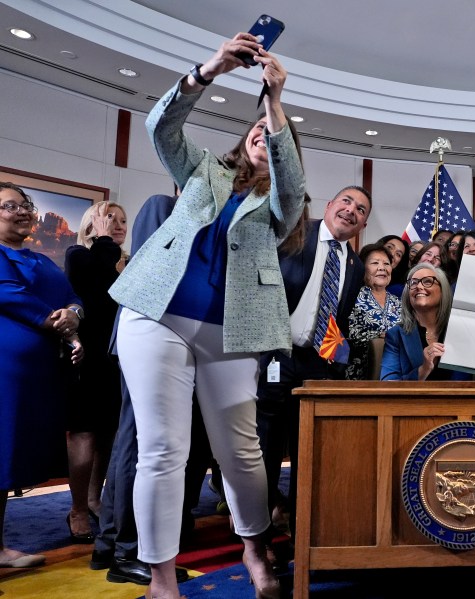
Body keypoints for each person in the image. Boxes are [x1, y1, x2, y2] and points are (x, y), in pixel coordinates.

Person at [108, 33, 305, 599]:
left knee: (241, 451)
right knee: (163, 447)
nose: (262, 137)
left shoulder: (279, 204)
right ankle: (161, 580)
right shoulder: (202, 171)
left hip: (232, 330)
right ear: (242, 140)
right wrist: (210, 69)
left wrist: (274, 102)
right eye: (256, 132)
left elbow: (291, 191)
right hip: (155, 314)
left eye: (273, 136)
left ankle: (255, 547)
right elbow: (159, 128)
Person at [91, 191, 199, 586]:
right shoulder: (162, 206)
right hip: (149, 336)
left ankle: (109, 546)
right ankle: (127, 553)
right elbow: (155, 275)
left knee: (132, 443)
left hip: (166, 343)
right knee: (136, 446)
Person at [256, 185, 370, 538]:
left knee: (308, 445)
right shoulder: (294, 234)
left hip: (317, 365)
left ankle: (301, 524)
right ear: (330, 203)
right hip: (277, 353)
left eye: (362, 209)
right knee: (267, 442)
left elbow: (341, 318)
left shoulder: (354, 264)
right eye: (347, 201)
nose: (352, 210)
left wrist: (334, 365)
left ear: (363, 223)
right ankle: (257, 524)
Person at [1, 182, 84, 569]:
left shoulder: (42, 260)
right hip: (6, 373)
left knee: (10, 456)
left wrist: (74, 315)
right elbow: (10, 294)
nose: (20, 211)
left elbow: (73, 296)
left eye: (24, 205)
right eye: (8, 207)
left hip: (37, 375)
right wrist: (58, 322)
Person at [64, 201, 128, 543]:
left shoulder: (123, 263)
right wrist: (104, 241)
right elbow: (98, 292)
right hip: (86, 356)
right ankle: (76, 508)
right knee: (85, 433)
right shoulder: (78, 254)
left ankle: (93, 498)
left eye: (122, 221)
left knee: (107, 433)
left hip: (115, 358)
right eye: (109, 220)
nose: (117, 225)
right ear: (92, 224)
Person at [380, 263, 475, 381]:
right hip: (416, 410)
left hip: (462, 410)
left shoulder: (465, 328)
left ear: (443, 291)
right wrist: (423, 370)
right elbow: (387, 385)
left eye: (428, 281)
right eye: (413, 283)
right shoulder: (396, 335)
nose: (419, 286)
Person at [346, 243, 401, 380]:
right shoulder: (352, 295)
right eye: (375, 263)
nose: (382, 268)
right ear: (363, 267)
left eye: (386, 264)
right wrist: (379, 335)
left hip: (392, 375)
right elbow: (344, 332)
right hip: (357, 374)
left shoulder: (398, 302)